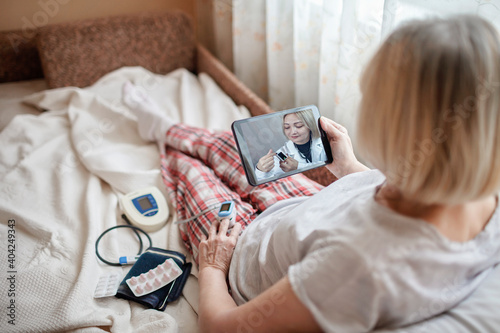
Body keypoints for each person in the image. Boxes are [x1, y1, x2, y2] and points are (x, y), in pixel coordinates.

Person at [122, 15, 500, 333]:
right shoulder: (478, 194)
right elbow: (399, 199)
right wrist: (350, 169)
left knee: (189, 170)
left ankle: (165, 141)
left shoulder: (358, 266)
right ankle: (166, 128)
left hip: (241, 256)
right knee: (229, 148)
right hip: (305, 213)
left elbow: (224, 328)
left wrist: (213, 267)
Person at [255, 110, 327, 180]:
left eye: (299, 126)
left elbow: (327, 169)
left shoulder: (325, 142)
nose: (293, 132)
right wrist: (260, 170)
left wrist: (298, 167)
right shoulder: (282, 154)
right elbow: (267, 180)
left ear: (310, 125)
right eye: (287, 127)